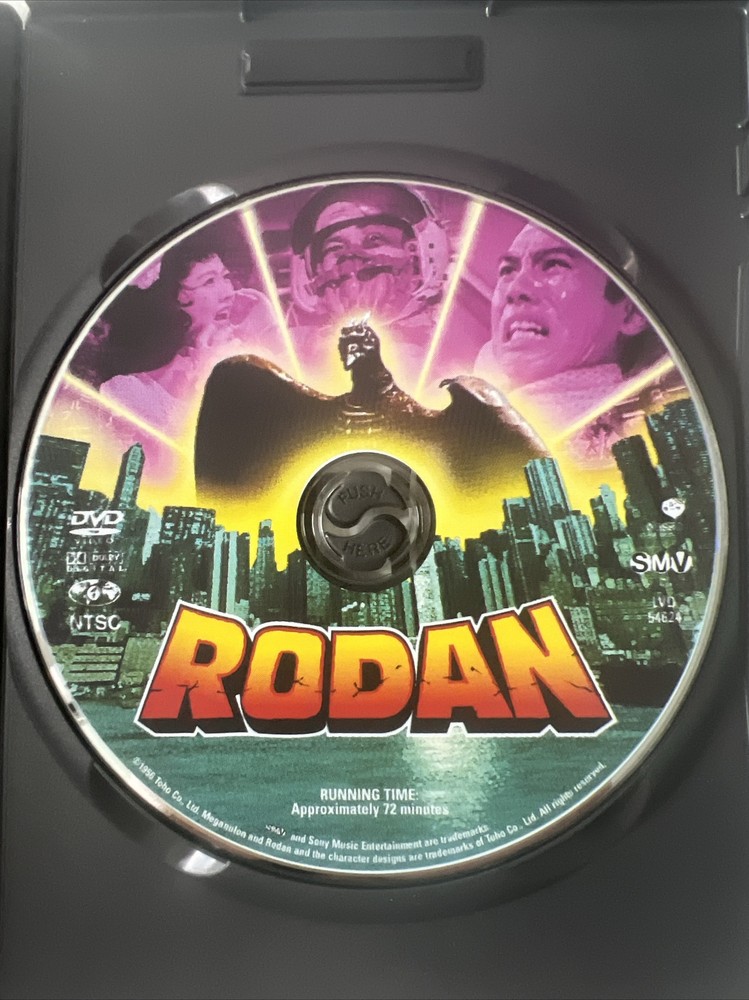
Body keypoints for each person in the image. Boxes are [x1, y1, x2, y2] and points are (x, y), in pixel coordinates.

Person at [474, 222, 671, 457]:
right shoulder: (472, 406)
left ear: (630, 312)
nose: (515, 289)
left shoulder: (630, 442)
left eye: (554, 265)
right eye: (507, 270)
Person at [97, 228, 283, 436]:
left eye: (225, 277)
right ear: (171, 299)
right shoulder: (127, 393)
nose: (228, 293)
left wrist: (270, 332)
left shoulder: (246, 348)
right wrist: (206, 380)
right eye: (209, 281)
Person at [287, 182, 453, 376]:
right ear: (311, 270)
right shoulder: (291, 354)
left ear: (420, 255)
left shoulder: (459, 350)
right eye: (334, 247)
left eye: (375, 239)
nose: (351, 257)